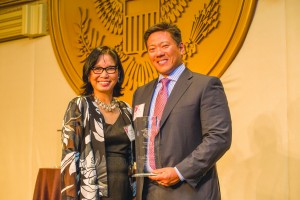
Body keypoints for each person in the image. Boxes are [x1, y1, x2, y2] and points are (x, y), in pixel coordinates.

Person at [132, 22, 232, 200]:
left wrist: (180, 171)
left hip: (189, 190)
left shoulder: (205, 86)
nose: (159, 53)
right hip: (148, 192)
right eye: (152, 48)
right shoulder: (141, 93)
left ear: (181, 48)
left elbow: (219, 137)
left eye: (165, 46)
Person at [60, 46, 135, 200]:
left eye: (110, 68)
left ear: (118, 73)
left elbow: (134, 156)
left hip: (125, 191)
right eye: (97, 69)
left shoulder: (127, 110)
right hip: (92, 193)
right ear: (89, 74)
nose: (104, 74)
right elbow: (69, 160)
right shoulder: (79, 106)